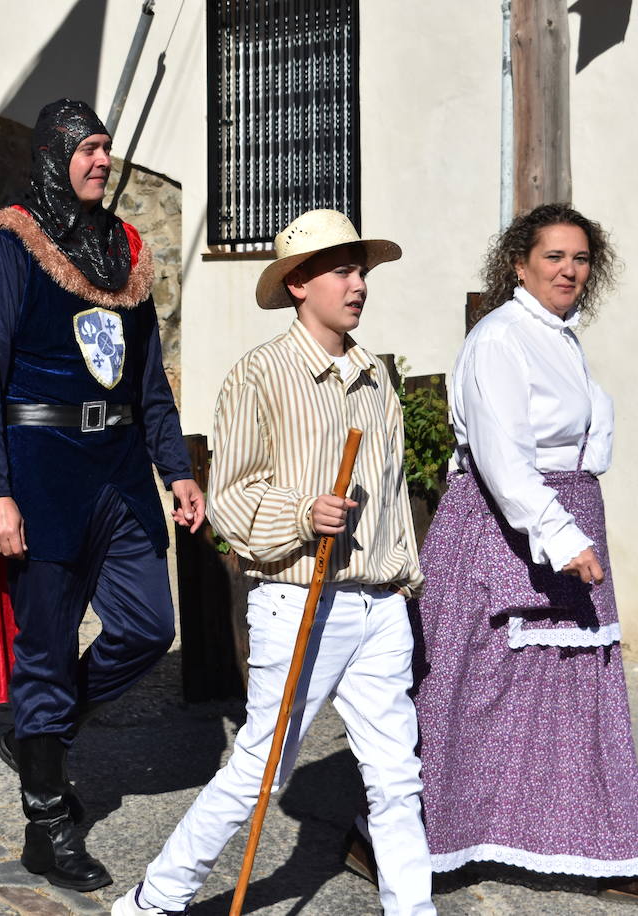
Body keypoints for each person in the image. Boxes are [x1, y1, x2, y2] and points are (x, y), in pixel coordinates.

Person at [113, 209, 436, 916]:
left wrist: (405, 582)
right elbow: (231, 498)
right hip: (301, 599)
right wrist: (302, 515)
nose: (358, 285)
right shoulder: (258, 375)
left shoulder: (375, 379)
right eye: (342, 270)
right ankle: (153, 901)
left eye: (361, 270)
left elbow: (390, 498)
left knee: (396, 778)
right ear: (298, 283)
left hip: (379, 604)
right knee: (262, 770)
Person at [412, 203, 638, 912]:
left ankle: (613, 849)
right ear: (519, 263)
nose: (569, 270)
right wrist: (564, 537)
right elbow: (504, 460)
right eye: (554, 256)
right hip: (509, 528)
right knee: (468, 694)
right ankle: (402, 836)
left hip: (560, 518)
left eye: (580, 259)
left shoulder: (558, 338)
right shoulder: (501, 339)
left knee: (577, 690)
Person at [0, 99, 204, 893]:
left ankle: (42, 736)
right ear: (55, 154)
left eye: (106, 148)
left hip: (121, 468)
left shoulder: (121, 249)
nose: (100, 160)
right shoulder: (10, 244)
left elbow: (147, 379)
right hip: (41, 465)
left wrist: (177, 468)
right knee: (45, 648)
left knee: (147, 625)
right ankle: (47, 824)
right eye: (87, 149)